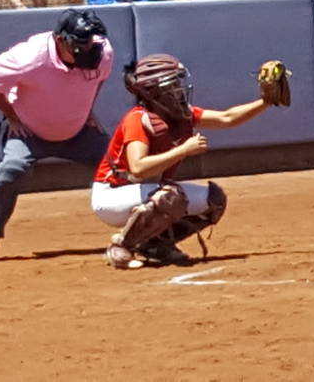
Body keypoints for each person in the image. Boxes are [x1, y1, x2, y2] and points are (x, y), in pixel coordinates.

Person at [91, 54, 284, 268]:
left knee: (213, 201)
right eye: (172, 84)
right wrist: (183, 150)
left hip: (144, 193)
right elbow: (138, 169)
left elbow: (227, 118)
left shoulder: (180, 115)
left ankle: (155, 245)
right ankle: (121, 248)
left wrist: (267, 101)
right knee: (171, 197)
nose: (179, 89)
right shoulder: (138, 119)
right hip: (112, 196)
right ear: (153, 90)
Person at [0, 9, 114, 264]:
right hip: (30, 131)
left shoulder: (103, 53)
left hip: (78, 130)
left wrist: (88, 109)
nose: (89, 48)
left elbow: (99, 79)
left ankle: (148, 232)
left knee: (122, 163)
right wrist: (12, 117)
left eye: (91, 41)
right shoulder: (30, 58)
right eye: (81, 43)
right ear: (61, 39)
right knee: (11, 169)